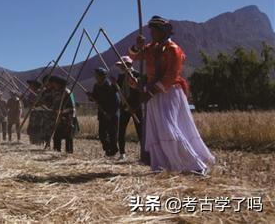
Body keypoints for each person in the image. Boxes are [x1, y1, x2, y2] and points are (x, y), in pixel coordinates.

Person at [129, 16, 214, 173]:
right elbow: (134, 56)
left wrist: (151, 92)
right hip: (153, 93)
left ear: (163, 31)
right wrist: (137, 46)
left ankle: (195, 166)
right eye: (151, 30)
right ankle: (163, 165)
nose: (152, 33)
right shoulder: (151, 47)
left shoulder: (173, 49)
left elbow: (171, 75)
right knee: (157, 129)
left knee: (168, 128)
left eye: (155, 30)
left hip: (169, 92)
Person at [115, 56, 143, 161]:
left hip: (136, 107)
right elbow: (117, 89)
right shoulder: (121, 77)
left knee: (140, 130)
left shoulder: (137, 75)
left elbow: (140, 93)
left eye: (122, 65)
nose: (121, 67)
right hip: (124, 106)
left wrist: (135, 107)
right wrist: (114, 83)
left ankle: (143, 153)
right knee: (121, 130)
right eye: (120, 66)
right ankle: (122, 153)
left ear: (128, 65)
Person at [87, 67, 119, 158]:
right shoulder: (96, 86)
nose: (95, 77)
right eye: (95, 75)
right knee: (102, 134)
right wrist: (90, 96)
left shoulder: (110, 86)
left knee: (112, 133)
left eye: (97, 75)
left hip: (111, 113)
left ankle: (112, 151)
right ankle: (107, 148)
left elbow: (116, 101)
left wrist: (111, 114)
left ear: (102, 76)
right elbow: (95, 98)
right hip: (102, 113)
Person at [44, 76, 75, 154]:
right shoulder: (54, 92)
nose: (53, 84)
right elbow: (53, 104)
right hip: (57, 117)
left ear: (59, 83)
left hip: (67, 117)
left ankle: (69, 152)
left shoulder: (67, 92)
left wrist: (62, 111)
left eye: (54, 83)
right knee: (57, 135)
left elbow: (72, 107)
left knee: (68, 136)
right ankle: (57, 152)